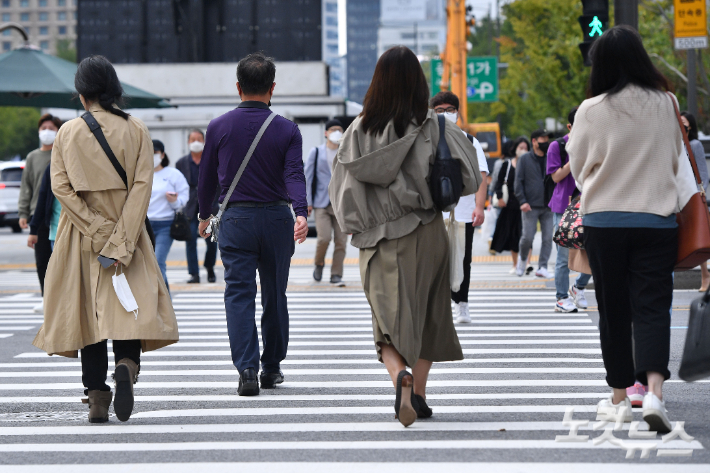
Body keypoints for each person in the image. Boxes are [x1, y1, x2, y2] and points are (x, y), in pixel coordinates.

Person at [329, 46, 481, 427]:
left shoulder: (358, 131)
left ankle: (399, 374)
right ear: (419, 82)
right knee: (430, 311)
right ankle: (419, 393)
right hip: (427, 230)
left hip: (377, 237)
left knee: (387, 318)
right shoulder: (435, 125)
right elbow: (469, 177)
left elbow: (341, 189)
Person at [32, 55, 178, 424]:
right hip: (127, 234)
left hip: (80, 236)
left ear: (81, 94)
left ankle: (96, 394)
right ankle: (127, 364)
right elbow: (143, 187)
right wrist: (120, 238)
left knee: (87, 312)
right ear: (114, 89)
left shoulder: (67, 133)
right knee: (127, 307)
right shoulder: (137, 130)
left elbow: (60, 187)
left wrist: (96, 229)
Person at [567, 26, 694, 433]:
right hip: (656, 220)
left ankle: (620, 397)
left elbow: (578, 164)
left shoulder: (591, 109)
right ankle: (654, 391)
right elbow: (677, 159)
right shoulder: (667, 102)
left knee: (614, 309)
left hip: (604, 220)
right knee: (653, 306)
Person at [197, 52, 308, 397]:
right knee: (275, 294)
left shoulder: (218, 126)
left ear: (238, 87)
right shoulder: (288, 129)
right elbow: (293, 173)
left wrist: (203, 215)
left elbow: (206, 180)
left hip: (237, 219)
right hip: (276, 218)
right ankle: (271, 367)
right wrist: (301, 211)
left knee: (239, 294)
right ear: (272, 88)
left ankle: (247, 368)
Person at [430, 91, 488, 324]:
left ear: (458, 112)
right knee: (434, 259)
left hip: (463, 211)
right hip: (433, 212)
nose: (445, 114)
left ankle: (461, 303)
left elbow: (482, 175)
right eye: (440, 111)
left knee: (462, 259)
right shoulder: (425, 139)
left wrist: (480, 207)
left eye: (450, 110)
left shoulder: (469, 141)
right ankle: (438, 305)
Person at [547, 107, 592, 313]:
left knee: (593, 252)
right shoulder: (558, 146)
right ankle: (561, 297)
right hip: (563, 207)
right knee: (563, 255)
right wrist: (574, 156)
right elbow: (556, 177)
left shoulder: (593, 143)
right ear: (570, 126)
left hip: (589, 203)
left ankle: (579, 287)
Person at [18, 113, 62, 312]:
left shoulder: (61, 155)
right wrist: (23, 213)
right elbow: (26, 187)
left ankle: (59, 298)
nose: (47, 132)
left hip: (57, 215)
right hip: (38, 214)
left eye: (51, 128)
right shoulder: (33, 157)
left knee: (60, 262)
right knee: (42, 260)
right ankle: (47, 298)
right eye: (43, 128)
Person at [304, 118, 348, 286]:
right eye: (333, 129)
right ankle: (318, 263)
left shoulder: (346, 151)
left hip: (341, 203)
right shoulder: (316, 152)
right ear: (326, 132)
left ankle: (336, 274)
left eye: (339, 129)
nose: (337, 132)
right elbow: (308, 178)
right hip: (321, 202)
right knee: (323, 238)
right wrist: (307, 202)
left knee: (341, 241)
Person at [176, 129, 218, 284]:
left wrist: (214, 202)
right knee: (190, 240)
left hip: (209, 207)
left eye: (199, 139)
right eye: (193, 139)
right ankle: (194, 273)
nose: (196, 142)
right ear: (188, 142)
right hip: (190, 207)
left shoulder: (213, 160)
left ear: (204, 141)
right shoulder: (181, 163)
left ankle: (210, 267)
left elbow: (219, 183)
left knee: (212, 241)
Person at [147, 140, 189, 292]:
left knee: (158, 263)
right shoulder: (140, 174)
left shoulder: (173, 174)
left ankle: (166, 305)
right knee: (145, 266)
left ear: (162, 155)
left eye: (155, 153)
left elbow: (184, 196)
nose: (151, 156)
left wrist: (175, 201)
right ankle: (156, 305)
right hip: (144, 225)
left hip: (166, 224)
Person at [515, 129, 554, 278]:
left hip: (548, 206)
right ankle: (523, 259)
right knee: (527, 237)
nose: (546, 142)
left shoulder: (551, 157)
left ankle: (542, 266)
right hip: (529, 205)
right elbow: (518, 181)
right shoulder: (524, 159)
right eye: (542, 139)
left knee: (547, 238)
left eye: (547, 139)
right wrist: (522, 201)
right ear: (534, 141)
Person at [680, 111, 710, 291]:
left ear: (690, 126)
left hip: (692, 196)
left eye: (684, 124)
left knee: (698, 236)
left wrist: (700, 193)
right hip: (678, 195)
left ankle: (705, 276)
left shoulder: (695, 144)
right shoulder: (675, 144)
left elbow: (703, 174)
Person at [491, 137, 527, 273]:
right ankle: (515, 263)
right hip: (510, 205)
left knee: (526, 235)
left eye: (525, 148)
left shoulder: (529, 164)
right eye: (520, 147)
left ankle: (526, 263)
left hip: (526, 205)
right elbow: (499, 182)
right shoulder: (506, 165)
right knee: (513, 235)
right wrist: (499, 197)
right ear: (515, 148)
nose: (523, 150)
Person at [27, 165, 60, 254]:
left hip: (80, 232)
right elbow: (42, 198)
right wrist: (33, 230)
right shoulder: (53, 166)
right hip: (57, 232)